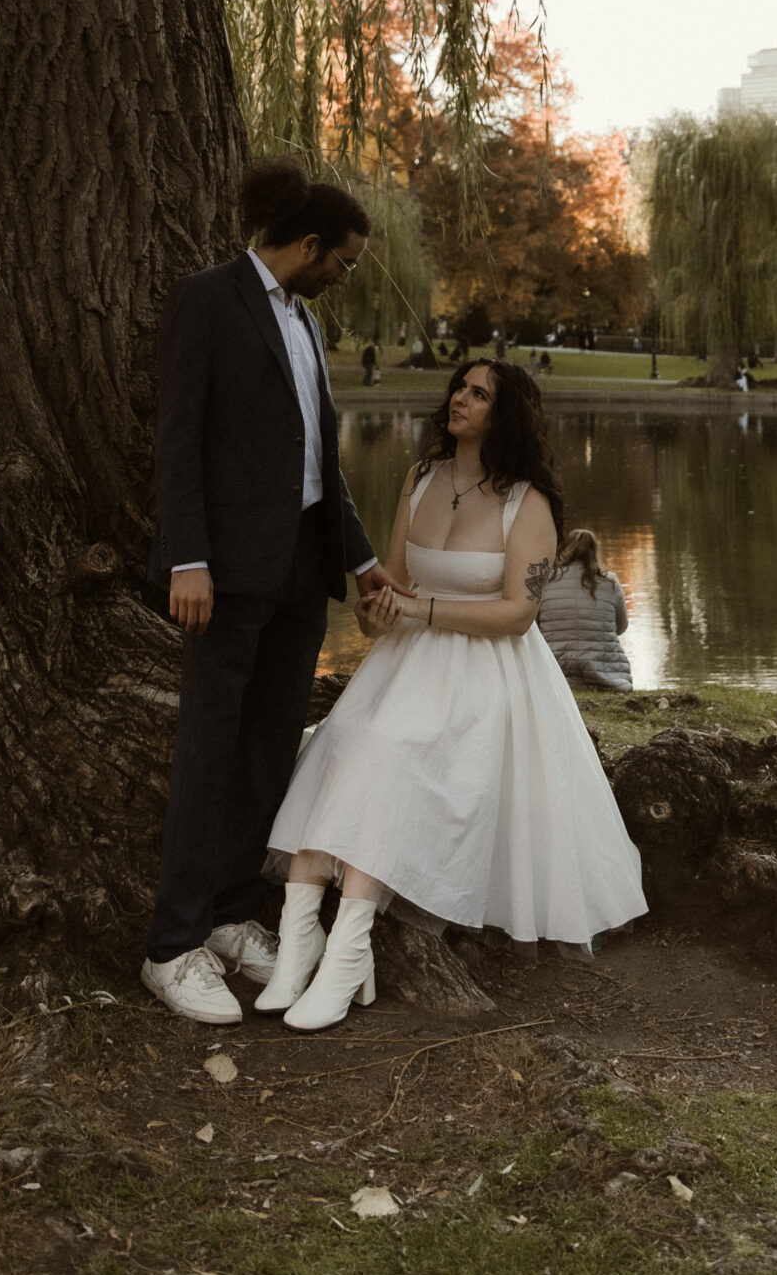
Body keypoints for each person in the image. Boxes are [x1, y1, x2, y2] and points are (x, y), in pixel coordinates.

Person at [255, 359, 647, 1031]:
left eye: (477, 393)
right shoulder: (420, 478)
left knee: (392, 755)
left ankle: (349, 953)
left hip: (486, 673)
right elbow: (390, 588)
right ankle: (299, 944)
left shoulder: (531, 503)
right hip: (406, 663)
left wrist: (422, 613)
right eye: (458, 388)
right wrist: (377, 615)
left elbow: (517, 615)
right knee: (341, 746)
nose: (458, 399)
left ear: (506, 414)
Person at [141, 158, 404, 1027]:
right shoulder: (208, 300)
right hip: (222, 575)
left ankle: (223, 914)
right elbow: (178, 440)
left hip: (299, 571)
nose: (346, 275)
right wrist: (187, 560)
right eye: (346, 261)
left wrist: (361, 559)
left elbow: (317, 468)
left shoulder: (305, 326)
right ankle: (170, 945)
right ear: (307, 243)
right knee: (208, 748)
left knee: (265, 751)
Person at [537, 528, 635, 690]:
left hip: (556, 670)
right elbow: (621, 627)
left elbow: (535, 627)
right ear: (595, 551)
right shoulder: (610, 582)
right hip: (604, 672)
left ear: (564, 549)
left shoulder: (547, 580)